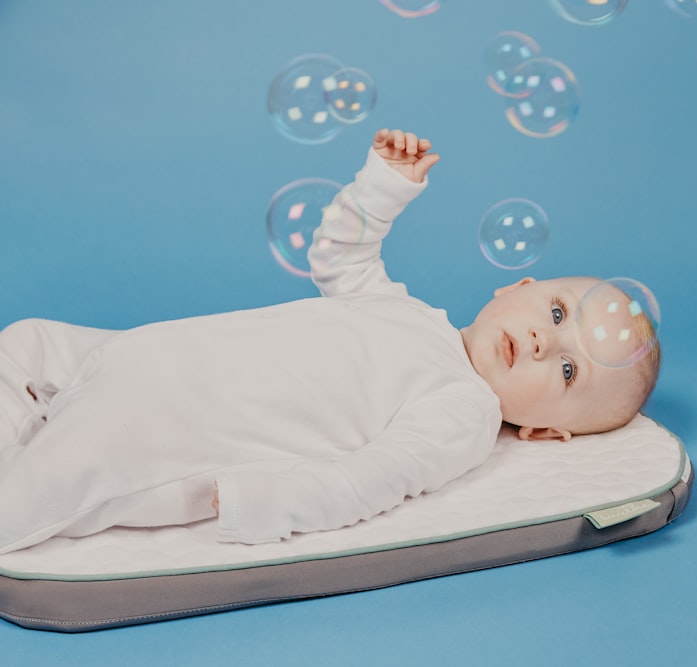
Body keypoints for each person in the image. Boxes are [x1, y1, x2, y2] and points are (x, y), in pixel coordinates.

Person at [0, 128, 660, 555]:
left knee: (42, 486)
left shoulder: (465, 410)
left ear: (544, 431)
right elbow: (341, 257)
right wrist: (384, 185)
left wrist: (267, 501)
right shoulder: (407, 310)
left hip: (168, 429)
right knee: (27, 343)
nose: (545, 342)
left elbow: (370, 480)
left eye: (570, 370)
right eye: (554, 310)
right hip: (149, 355)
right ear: (511, 289)